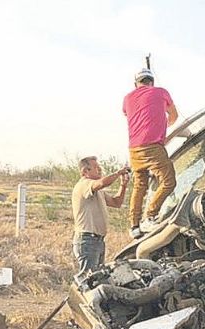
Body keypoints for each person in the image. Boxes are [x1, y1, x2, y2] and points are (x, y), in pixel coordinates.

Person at [123, 68, 179, 239]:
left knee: (140, 185)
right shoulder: (161, 92)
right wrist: (163, 127)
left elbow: (130, 114)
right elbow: (174, 116)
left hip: (134, 149)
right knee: (169, 181)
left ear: (136, 84)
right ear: (152, 82)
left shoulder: (127, 98)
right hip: (153, 146)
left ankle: (134, 225)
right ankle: (151, 215)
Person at [71, 156, 130, 276]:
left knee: (97, 278)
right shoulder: (84, 185)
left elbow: (116, 203)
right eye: (96, 167)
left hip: (97, 240)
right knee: (89, 279)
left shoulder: (98, 191)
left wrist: (123, 185)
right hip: (88, 240)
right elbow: (103, 183)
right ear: (85, 171)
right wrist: (118, 173)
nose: (100, 170)